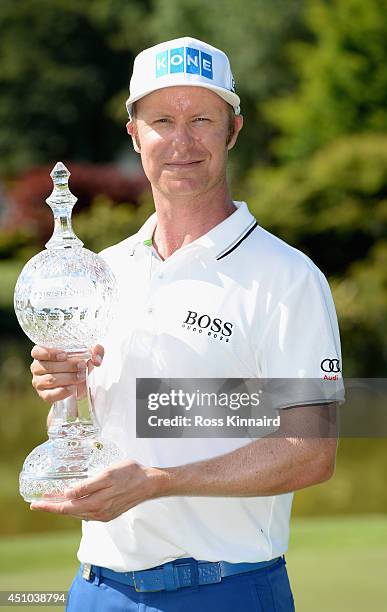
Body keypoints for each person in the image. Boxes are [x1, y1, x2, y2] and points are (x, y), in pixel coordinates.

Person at [29, 37, 343, 612]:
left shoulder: (287, 278)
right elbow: (92, 422)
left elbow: (311, 450)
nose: (181, 141)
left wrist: (157, 479)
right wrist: (61, 388)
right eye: (161, 120)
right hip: (97, 589)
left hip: (228, 590)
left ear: (233, 130)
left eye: (202, 118)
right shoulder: (103, 271)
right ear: (134, 134)